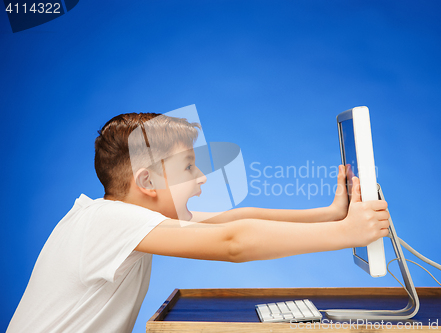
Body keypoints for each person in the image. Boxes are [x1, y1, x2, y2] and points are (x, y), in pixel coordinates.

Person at [7, 113, 389, 333]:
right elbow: (232, 243)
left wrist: (331, 214)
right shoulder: (109, 221)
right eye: (188, 167)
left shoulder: (124, 219)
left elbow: (233, 220)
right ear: (147, 182)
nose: (202, 176)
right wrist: (345, 234)